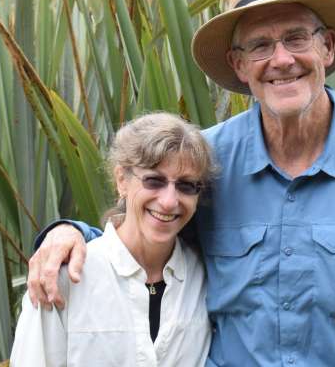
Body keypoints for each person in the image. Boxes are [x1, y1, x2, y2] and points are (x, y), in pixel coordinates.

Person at [28, 0, 335, 365]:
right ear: (239, 65)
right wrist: (69, 234)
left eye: (296, 38)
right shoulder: (204, 164)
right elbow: (146, 233)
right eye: (260, 45)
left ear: (327, 47)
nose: (281, 59)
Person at [11, 113, 217, 366]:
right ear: (122, 180)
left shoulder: (204, 277)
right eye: (154, 180)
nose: (169, 201)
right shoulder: (62, 277)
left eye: (186, 186)